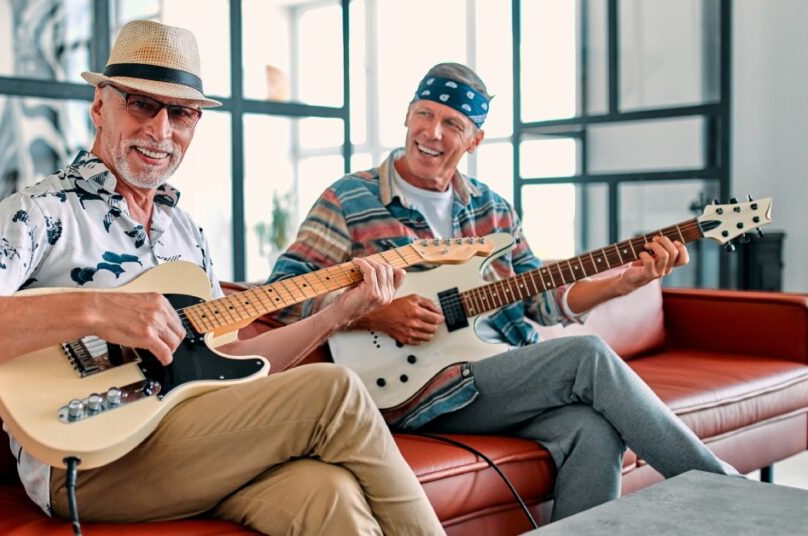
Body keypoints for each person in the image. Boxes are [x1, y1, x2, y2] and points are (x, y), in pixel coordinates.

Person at [0, 21, 445, 535]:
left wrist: (338, 314)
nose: (160, 130)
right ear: (99, 105)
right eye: (142, 105)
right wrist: (97, 310)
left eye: (180, 114)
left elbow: (232, 369)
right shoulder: (42, 211)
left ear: (194, 125)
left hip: (196, 438)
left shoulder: (185, 233)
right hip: (90, 461)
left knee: (330, 495)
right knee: (338, 390)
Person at [267, 62, 740, 521]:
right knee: (587, 356)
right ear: (407, 116)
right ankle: (726, 493)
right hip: (407, 389)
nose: (432, 132)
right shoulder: (350, 198)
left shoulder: (494, 210)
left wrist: (622, 283)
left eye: (452, 123)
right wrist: (370, 313)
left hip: (489, 381)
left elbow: (543, 301)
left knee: (592, 432)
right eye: (424, 114)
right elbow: (282, 293)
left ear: (474, 140)